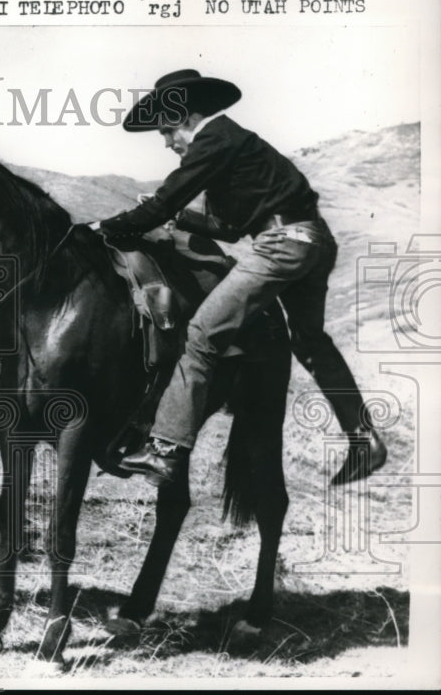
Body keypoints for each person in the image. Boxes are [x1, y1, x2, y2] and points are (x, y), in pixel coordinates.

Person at [98, 69, 387, 488]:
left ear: (184, 116)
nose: (166, 142)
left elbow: (162, 202)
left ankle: (164, 451)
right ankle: (364, 439)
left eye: (165, 131)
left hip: (281, 244)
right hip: (313, 240)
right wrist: (179, 215)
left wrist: (104, 227)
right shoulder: (235, 145)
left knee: (200, 335)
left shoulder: (214, 138)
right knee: (309, 342)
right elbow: (230, 228)